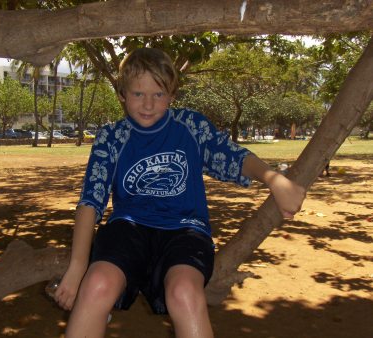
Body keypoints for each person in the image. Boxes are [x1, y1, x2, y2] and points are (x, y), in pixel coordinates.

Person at [55, 48, 306, 338]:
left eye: (158, 95)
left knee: (184, 292)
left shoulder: (191, 126)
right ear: (122, 94)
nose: (148, 104)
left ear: (172, 95)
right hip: (128, 228)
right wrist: (77, 268)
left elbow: (231, 157)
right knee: (96, 284)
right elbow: (91, 199)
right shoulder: (112, 137)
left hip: (186, 230)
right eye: (138, 94)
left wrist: (273, 179)